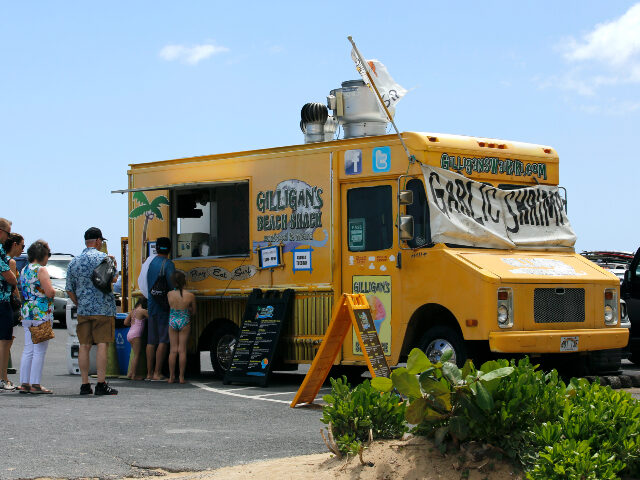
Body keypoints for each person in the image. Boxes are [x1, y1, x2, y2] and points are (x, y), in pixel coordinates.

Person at [65, 227, 119, 395]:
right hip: (103, 308)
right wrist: (113, 262)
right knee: (102, 344)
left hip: (84, 310)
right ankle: (101, 384)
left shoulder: (74, 261)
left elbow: (69, 289)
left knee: (84, 346)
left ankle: (84, 384)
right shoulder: (105, 258)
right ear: (97, 241)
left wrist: (79, 303)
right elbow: (115, 278)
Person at [18, 240, 55, 394]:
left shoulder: (24, 269)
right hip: (41, 312)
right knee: (39, 349)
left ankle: (24, 382)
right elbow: (50, 292)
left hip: (27, 312)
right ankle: (36, 384)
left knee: (28, 349)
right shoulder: (41, 270)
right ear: (42, 255)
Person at [145, 237, 175, 381]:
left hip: (152, 304)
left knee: (151, 341)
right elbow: (172, 285)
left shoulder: (151, 263)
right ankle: (157, 372)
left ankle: (149, 373)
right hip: (163, 306)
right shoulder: (168, 264)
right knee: (163, 340)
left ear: (156, 248)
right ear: (170, 249)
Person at [3, 232, 24, 387]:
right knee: (7, 343)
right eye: (22, 246)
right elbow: (14, 285)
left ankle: (4, 376)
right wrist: (19, 303)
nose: (22, 250)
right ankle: (4, 377)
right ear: (15, 244)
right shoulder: (10, 262)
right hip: (9, 304)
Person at [167, 270, 196, 384]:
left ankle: (171, 377)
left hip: (173, 319)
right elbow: (193, 312)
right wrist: (188, 309)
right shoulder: (190, 295)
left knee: (173, 350)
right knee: (182, 350)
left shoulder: (169, 294)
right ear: (184, 281)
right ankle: (181, 377)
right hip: (184, 319)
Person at [0, 218, 18, 391]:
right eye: (7, 233)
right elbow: (9, 276)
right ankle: (2, 378)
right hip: (2, 301)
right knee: (5, 341)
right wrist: (14, 281)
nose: (8, 237)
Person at [124, 297, 148, 380]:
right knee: (137, 355)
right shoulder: (143, 311)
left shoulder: (133, 311)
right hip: (136, 334)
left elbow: (125, 322)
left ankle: (131, 373)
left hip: (130, 333)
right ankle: (133, 375)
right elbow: (152, 318)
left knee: (135, 354)